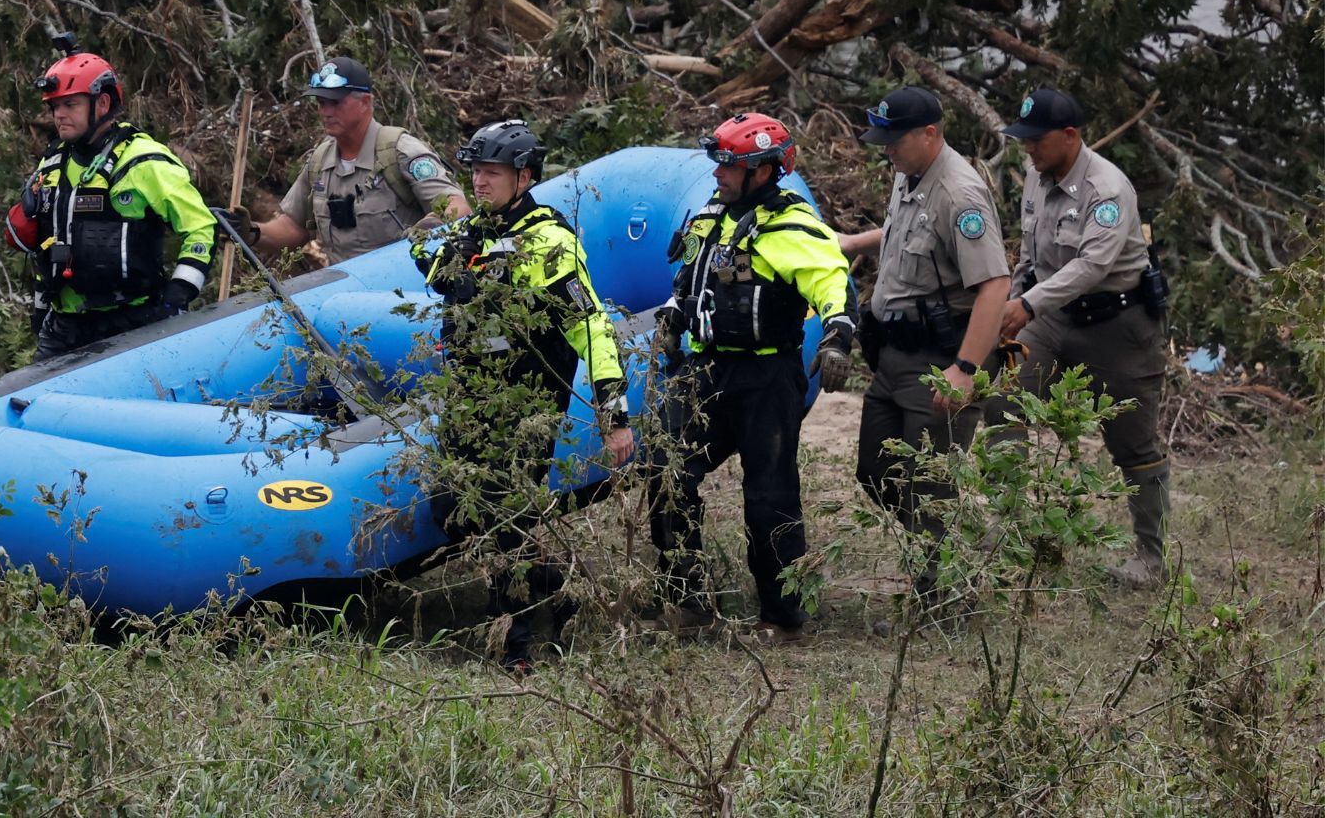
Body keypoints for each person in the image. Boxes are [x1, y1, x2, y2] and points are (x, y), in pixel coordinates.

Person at [413, 119, 634, 672]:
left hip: (526, 404)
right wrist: (435, 246)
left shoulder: (548, 241)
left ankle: (518, 648)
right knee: (455, 507)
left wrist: (614, 413)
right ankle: (556, 590)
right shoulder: (478, 230)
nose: (480, 183)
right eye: (475, 173)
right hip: (471, 398)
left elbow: (592, 325)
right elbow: (439, 272)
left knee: (505, 514)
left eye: (492, 173)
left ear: (524, 177)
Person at [646, 112, 854, 644]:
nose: (717, 173)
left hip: (767, 375)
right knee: (666, 469)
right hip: (706, 369)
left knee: (769, 495)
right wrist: (672, 316)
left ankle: (782, 618)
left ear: (762, 171)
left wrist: (837, 334)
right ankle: (686, 601)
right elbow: (687, 276)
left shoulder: (794, 226)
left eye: (729, 165)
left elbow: (832, 279)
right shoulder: (711, 215)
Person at [836, 86, 1010, 601]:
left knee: (929, 484)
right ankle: (959, 546)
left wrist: (965, 369)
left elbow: (995, 286)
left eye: (894, 139)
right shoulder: (909, 172)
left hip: (941, 359)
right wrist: (853, 243)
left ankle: (943, 596)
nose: (885, 149)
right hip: (895, 355)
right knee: (875, 470)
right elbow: (901, 232)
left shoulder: (961, 195)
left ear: (929, 134)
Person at [999, 88, 1171, 586]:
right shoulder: (1036, 177)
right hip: (1053, 317)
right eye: (1023, 140)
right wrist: (1012, 302)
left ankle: (1151, 559)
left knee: (1133, 442)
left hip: (1118, 324)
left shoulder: (1108, 191)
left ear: (1070, 136)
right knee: (1004, 400)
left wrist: (1027, 304)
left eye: (1036, 140)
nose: (1027, 149)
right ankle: (1008, 530)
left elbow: (1092, 266)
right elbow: (1032, 256)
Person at [4, 48, 217, 359]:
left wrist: (177, 296)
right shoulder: (52, 164)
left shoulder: (143, 161)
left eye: (70, 104)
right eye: (54, 107)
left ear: (102, 103)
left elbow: (200, 227)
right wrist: (40, 310)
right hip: (65, 327)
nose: (59, 114)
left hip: (134, 321)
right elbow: (45, 247)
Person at [226, 56, 468, 262]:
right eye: (321, 103)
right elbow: (294, 228)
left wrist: (425, 231)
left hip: (403, 293)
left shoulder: (398, 152)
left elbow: (457, 206)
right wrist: (251, 232)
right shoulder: (320, 162)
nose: (326, 111)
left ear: (365, 102)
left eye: (335, 103)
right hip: (343, 295)